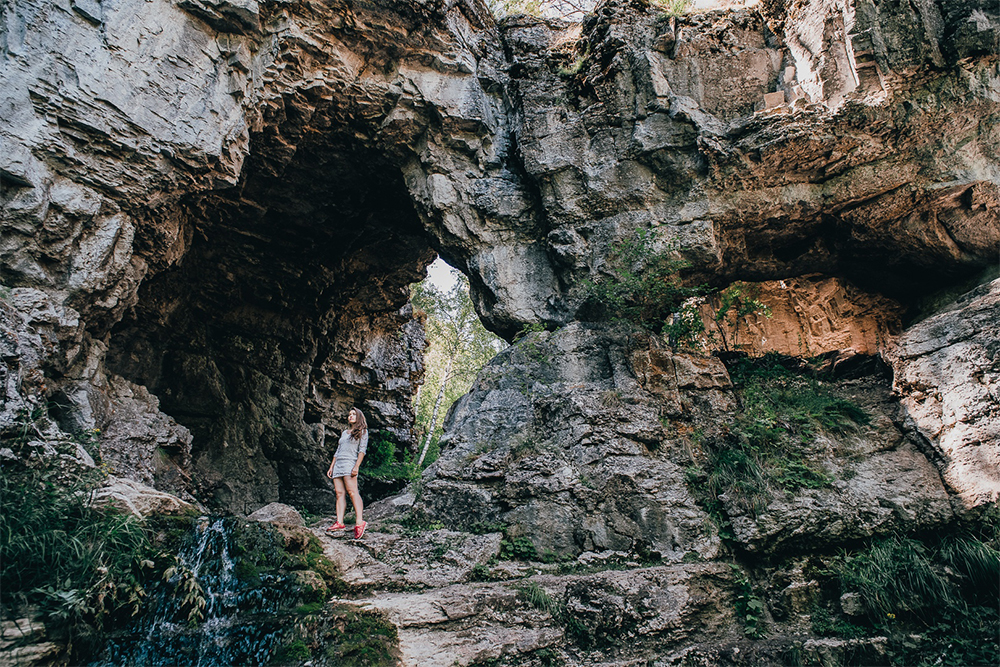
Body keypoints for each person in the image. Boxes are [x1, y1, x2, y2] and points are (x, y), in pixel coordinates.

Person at [326, 407, 369, 539]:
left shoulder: (363, 431)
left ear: (359, 416)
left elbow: (362, 450)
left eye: (353, 414)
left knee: (352, 492)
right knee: (339, 493)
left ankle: (360, 522)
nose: (350, 416)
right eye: (349, 414)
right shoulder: (345, 433)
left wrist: (356, 466)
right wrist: (331, 467)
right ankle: (339, 522)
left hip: (350, 463)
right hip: (338, 464)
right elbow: (337, 451)